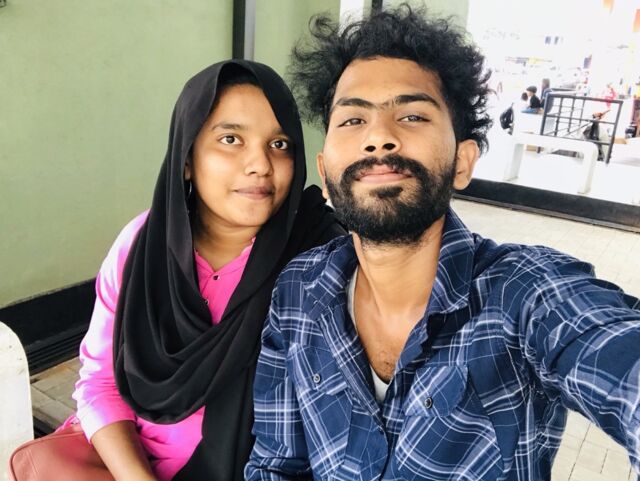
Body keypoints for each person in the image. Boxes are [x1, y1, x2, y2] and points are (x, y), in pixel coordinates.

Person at [245, 6, 640, 481]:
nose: (379, 137)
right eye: (352, 119)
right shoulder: (298, 292)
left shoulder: (525, 296)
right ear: (326, 173)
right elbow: (275, 464)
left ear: (462, 163)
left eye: (412, 115)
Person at [72, 60, 344, 481]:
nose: (260, 164)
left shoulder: (318, 257)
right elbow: (100, 384)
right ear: (186, 158)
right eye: (231, 139)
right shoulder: (142, 248)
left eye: (279, 144)